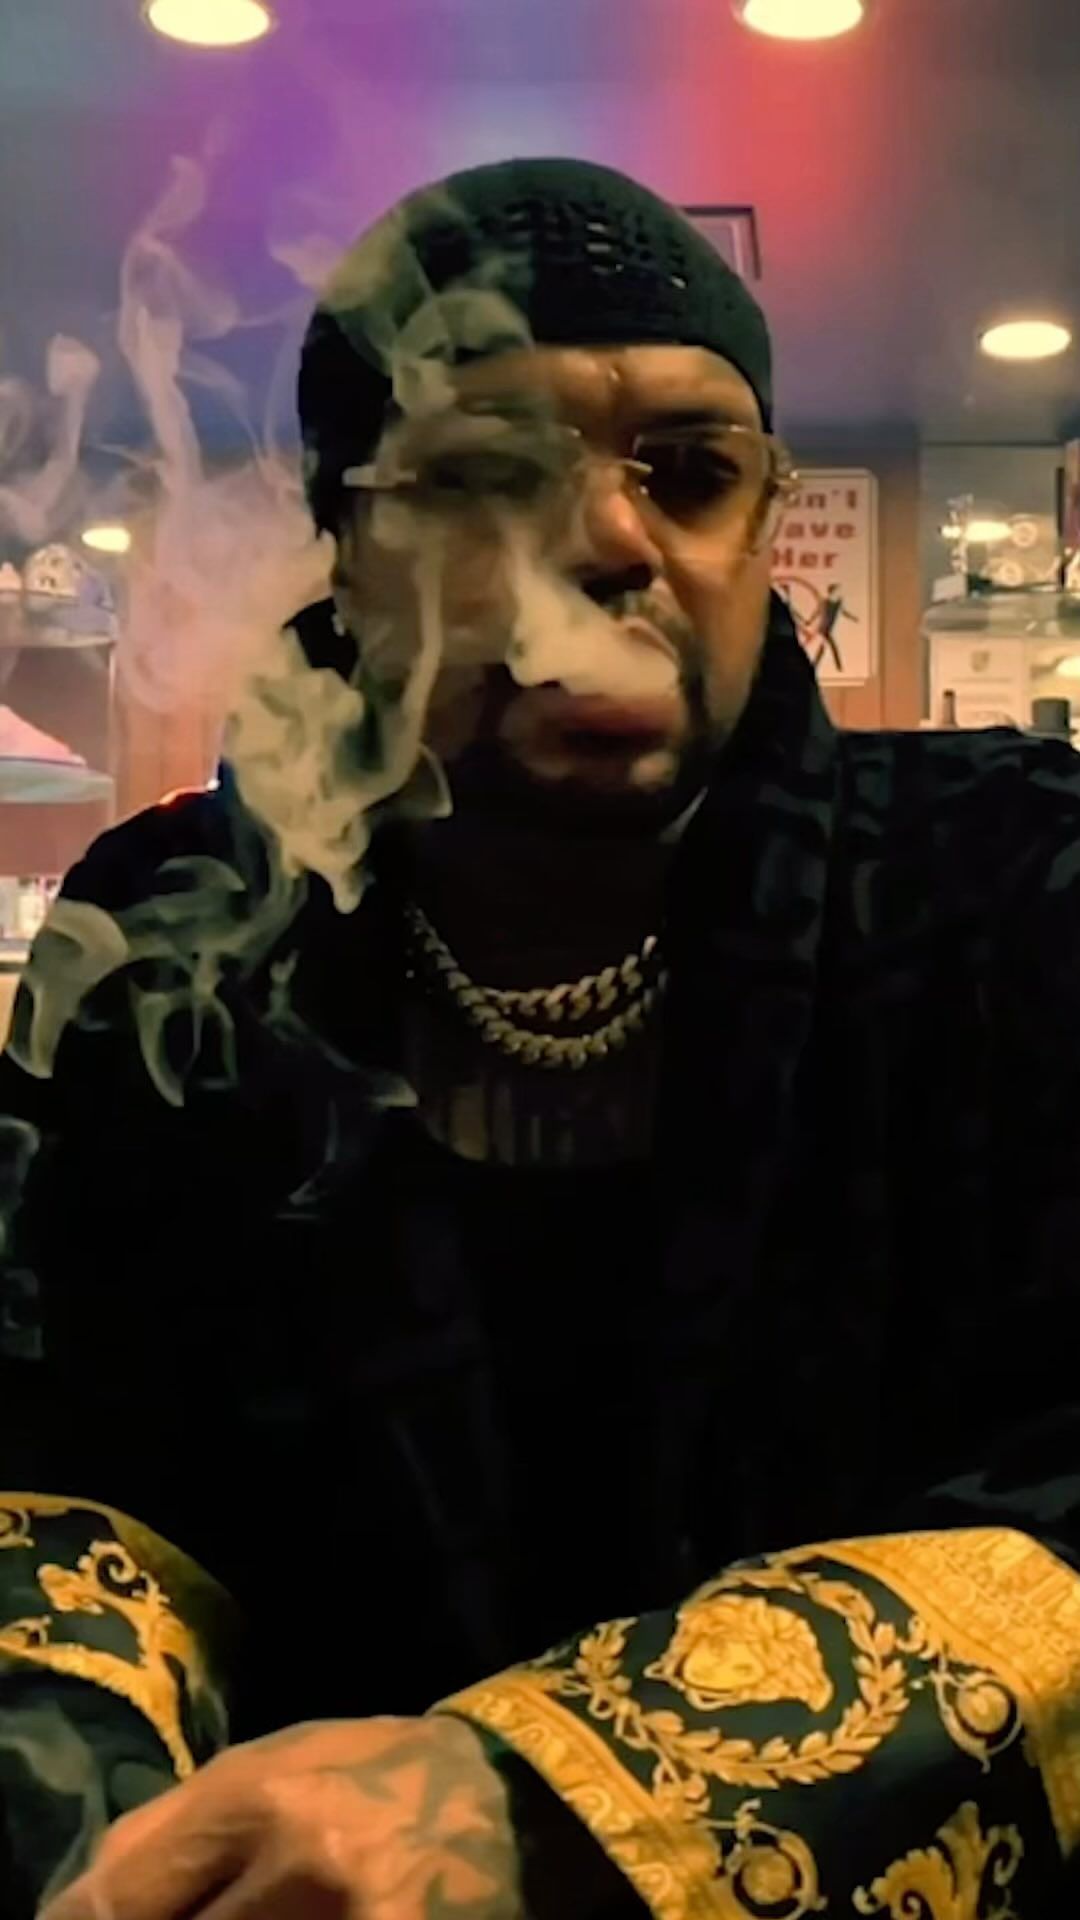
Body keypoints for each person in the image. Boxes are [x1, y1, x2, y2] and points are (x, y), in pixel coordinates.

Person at [2, 156, 1080, 1919]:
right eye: (483, 474)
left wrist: (553, 1800)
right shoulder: (175, 923)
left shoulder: (1014, 882)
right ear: (347, 547)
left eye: (692, 473)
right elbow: (54, 1449)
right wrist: (97, 1827)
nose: (613, 543)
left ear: (762, 526)